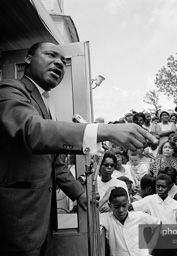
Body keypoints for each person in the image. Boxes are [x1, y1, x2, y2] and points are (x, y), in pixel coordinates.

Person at [0, 42, 157, 255]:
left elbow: (54, 163)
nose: (58, 63)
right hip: (18, 220)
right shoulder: (10, 90)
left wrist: (78, 193)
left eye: (63, 61)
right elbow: (32, 131)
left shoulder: (47, 103)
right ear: (28, 59)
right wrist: (103, 131)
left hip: (41, 221)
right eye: (50, 55)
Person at [130, 173, 177, 256]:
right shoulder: (149, 200)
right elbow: (131, 207)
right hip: (154, 241)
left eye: (163, 186)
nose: (160, 189)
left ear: (170, 187)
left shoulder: (175, 205)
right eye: (157, 186)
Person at [100, 187, 161, 256]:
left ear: (128, 203)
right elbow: (91, 216)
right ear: (109, 205)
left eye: (124, 206)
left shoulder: (139, 216)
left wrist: (150, 247)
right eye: (116, 207)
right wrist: (104, 199)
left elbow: (158, 223)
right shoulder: (107, 219)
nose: (121, 210)